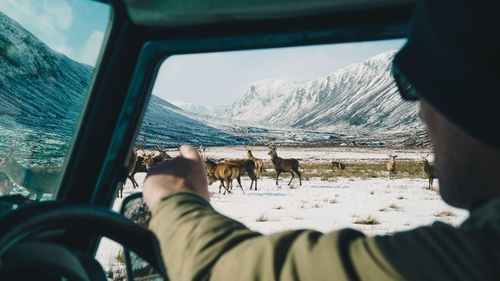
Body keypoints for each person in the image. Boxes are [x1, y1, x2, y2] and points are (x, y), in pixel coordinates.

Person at [143, 0, 500, 279]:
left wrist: (175, 199)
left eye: (418, 85)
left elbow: (231, 273)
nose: (421, 112)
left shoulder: (480, 256)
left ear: (480, 93)